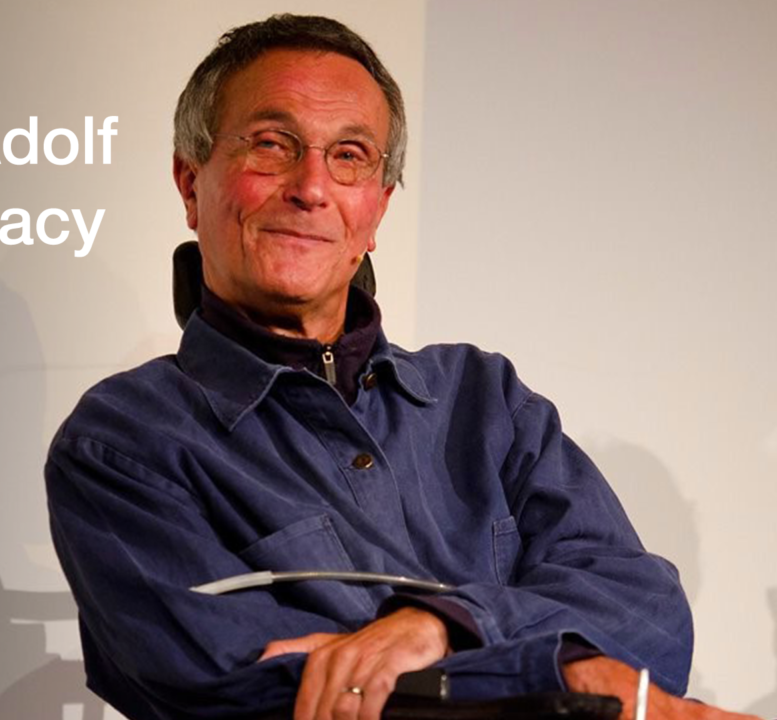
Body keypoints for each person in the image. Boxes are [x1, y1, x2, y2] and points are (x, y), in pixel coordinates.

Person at [45, 15, 759, 720]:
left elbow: (647, 611)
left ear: (378, 208)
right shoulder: (124, 443)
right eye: (271, 144)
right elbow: (249, 697)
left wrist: (442, 624)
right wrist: (576, 672)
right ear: (189, 180)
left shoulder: (486, 401)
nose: (311, 186)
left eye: (350, 156)